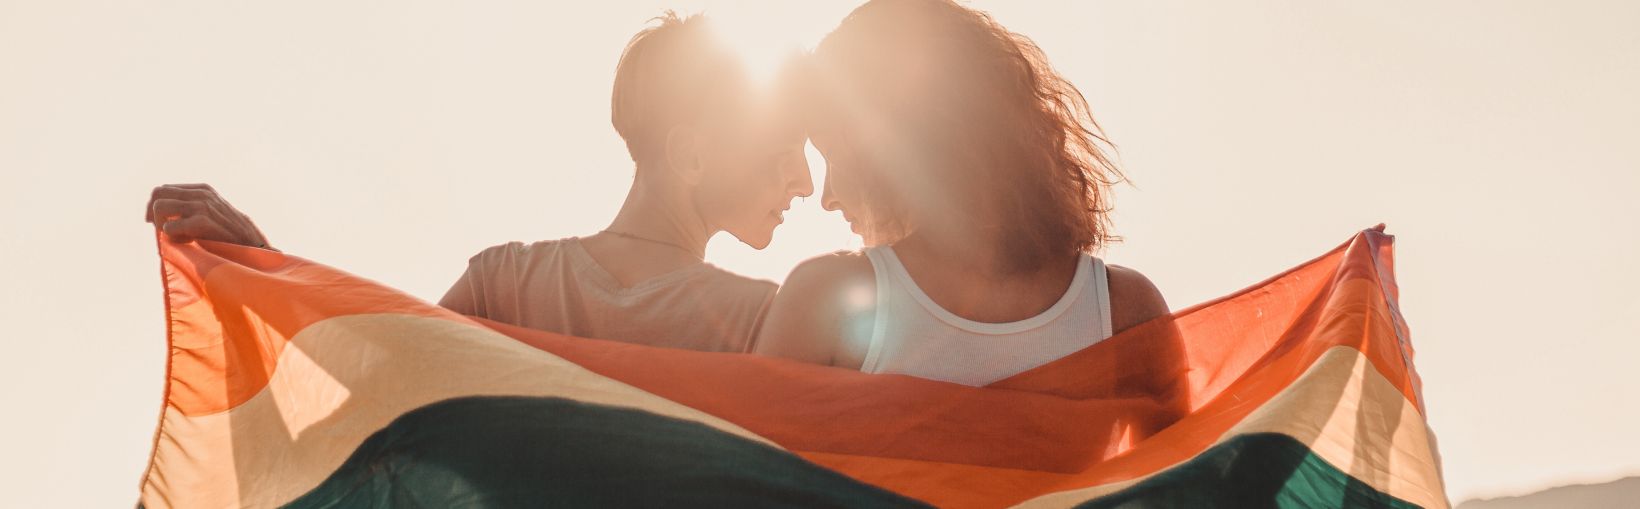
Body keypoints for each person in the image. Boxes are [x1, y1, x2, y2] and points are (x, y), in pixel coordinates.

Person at [145, 11, 813, 353]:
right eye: (782, 149)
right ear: (692, 156)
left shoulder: (508, 283)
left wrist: (267, 269)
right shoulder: (763, 323)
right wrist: (262, 267)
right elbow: (388, 380)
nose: (805, 182)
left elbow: (375, 380)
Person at [755, 0, 1185, 404]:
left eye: (832, 154)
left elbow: (739, 475)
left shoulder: (822, 301)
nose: (828, 198)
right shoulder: (1127, 307)